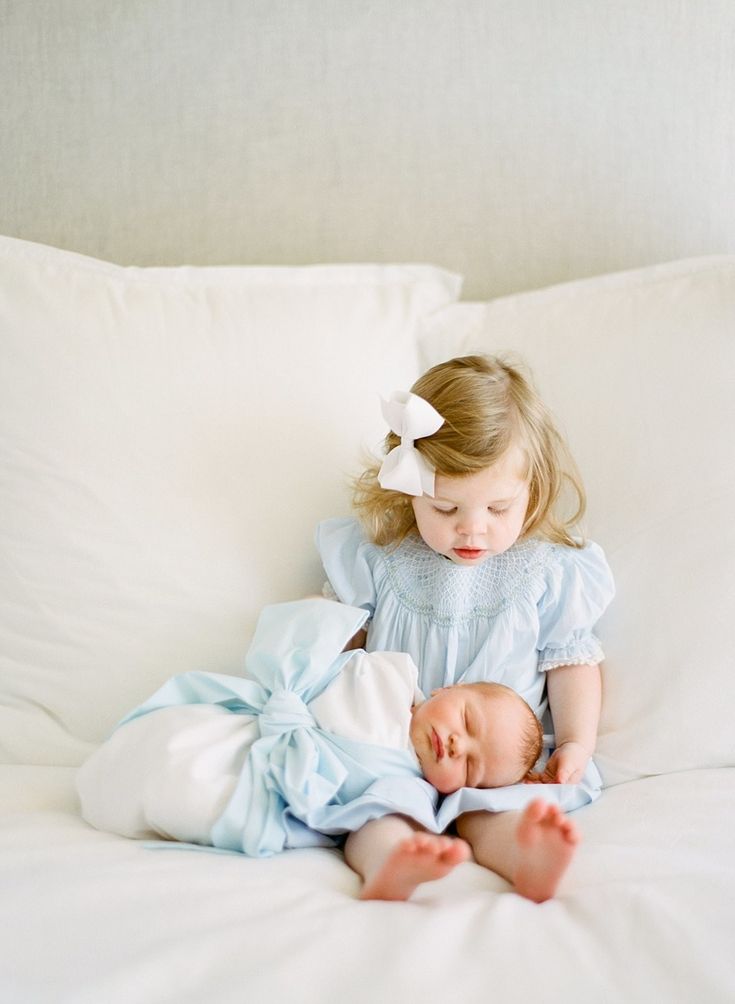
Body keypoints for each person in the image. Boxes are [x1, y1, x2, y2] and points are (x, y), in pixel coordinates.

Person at [316, 353, 615, 902]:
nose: (472, 530)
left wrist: (576, 742)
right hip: (393, 748)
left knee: (491, 812)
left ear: (534, 488)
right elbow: (337, 643)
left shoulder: (546, 569)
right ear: (410, 490)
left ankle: (526, 856)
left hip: (492, 765)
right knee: (375, 809)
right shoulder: (381, 557)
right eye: (446, 508)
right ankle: (391, 860)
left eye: (499, 508)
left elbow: (571, 660)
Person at [77, 598, 545, 901]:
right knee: (176, 753)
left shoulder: (410, 786)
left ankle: (390, 866)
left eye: (471, 767)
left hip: (286, 790)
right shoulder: (391, 675)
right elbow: (324, 669)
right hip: (256, 739)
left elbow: (368, 814)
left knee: (384, 824)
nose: (457, 746)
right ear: (446, 689)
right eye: (466, 720)